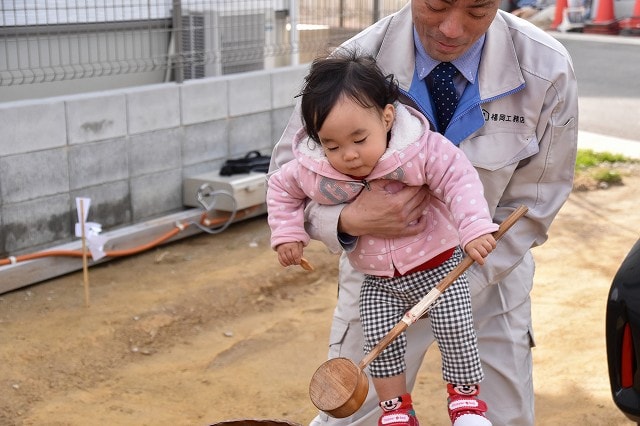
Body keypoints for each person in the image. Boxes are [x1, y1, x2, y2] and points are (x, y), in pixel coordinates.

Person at [268, 0, 579, 424]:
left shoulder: (547, 69)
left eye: (477, 10)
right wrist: (344, 221)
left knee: (498, 417)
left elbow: (537, 198)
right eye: (436, 5)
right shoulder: (350, 65)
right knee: (353, 414)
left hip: (490, 276)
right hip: (380, 280)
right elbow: (289, 177)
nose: (452, 29)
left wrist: (455, 278)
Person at [267, 50, 499, 426]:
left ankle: (466, 402)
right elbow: (281, 188)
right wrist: (288, 232)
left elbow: (460, 180)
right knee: (378, 341)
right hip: (378, 281)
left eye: (360, 138)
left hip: (439, 267)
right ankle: (396, 410)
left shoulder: (419, 149)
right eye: (333, 145)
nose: (350, 156)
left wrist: (474, 227)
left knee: (456, 326)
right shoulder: (314, 168)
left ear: (387, 117)